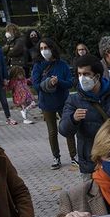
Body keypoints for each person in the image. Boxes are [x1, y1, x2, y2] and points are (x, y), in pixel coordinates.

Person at [32, 38, 77, 170]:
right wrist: (48, 82)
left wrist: (59, 82)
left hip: (63, 101)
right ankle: (56, 157)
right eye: (41, 49)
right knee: (52, 131)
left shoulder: (62, 64)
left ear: (52, 49)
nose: (44, 51)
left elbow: (70, 83)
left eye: (46, 48)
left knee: (68, 128)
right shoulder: (38, 65)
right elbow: (35, 85)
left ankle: (74, 155)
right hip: (47, 103)